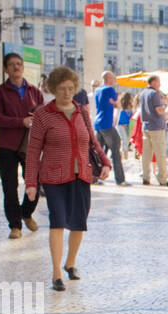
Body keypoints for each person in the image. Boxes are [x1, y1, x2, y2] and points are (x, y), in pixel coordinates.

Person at [24, 66, 110, 290]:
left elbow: (92, 141)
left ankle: (70, 263)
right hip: (54, 177)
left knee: (79, 223)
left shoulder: (81, 111)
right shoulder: (43, 114)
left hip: (81, 175)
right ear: (53, 89)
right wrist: (31, 183)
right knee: (58, 221)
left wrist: (106, 161)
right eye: (62, 89)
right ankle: (56, 274)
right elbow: (33, 151)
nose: (67, 93)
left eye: (71, 88)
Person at [0, 53, 44, 240]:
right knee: (10, 186)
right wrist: (20, 121)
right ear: (6, 69)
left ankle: (26, 212)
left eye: (19, 64)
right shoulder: (0, 92)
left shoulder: (34, 91)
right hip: (7, 145)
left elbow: (43, 114)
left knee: (35, 182)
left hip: (30, 145)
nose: (16, 67)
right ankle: (15, 225)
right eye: (12, 65)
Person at [93, 71, 128, 187]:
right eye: (113, 78)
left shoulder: (97, 89)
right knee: (116, 149)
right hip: (107, 123)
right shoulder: (109, 89)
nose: (115, 81)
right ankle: (120, 179)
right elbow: (116, 103)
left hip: (98, 123)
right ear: (108, 79)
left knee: (99, 151)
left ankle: (95, 177)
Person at [138, 74, 168, 185]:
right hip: (156, 126)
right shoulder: (154, 94)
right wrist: (167, 110)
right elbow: (159, 109)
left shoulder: (143, 93)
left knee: (146, 154)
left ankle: (145, 177)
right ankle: (162, 178)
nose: (160, 84)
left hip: (146, 126)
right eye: (159, 81)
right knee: (160, 153)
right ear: (154, 82)